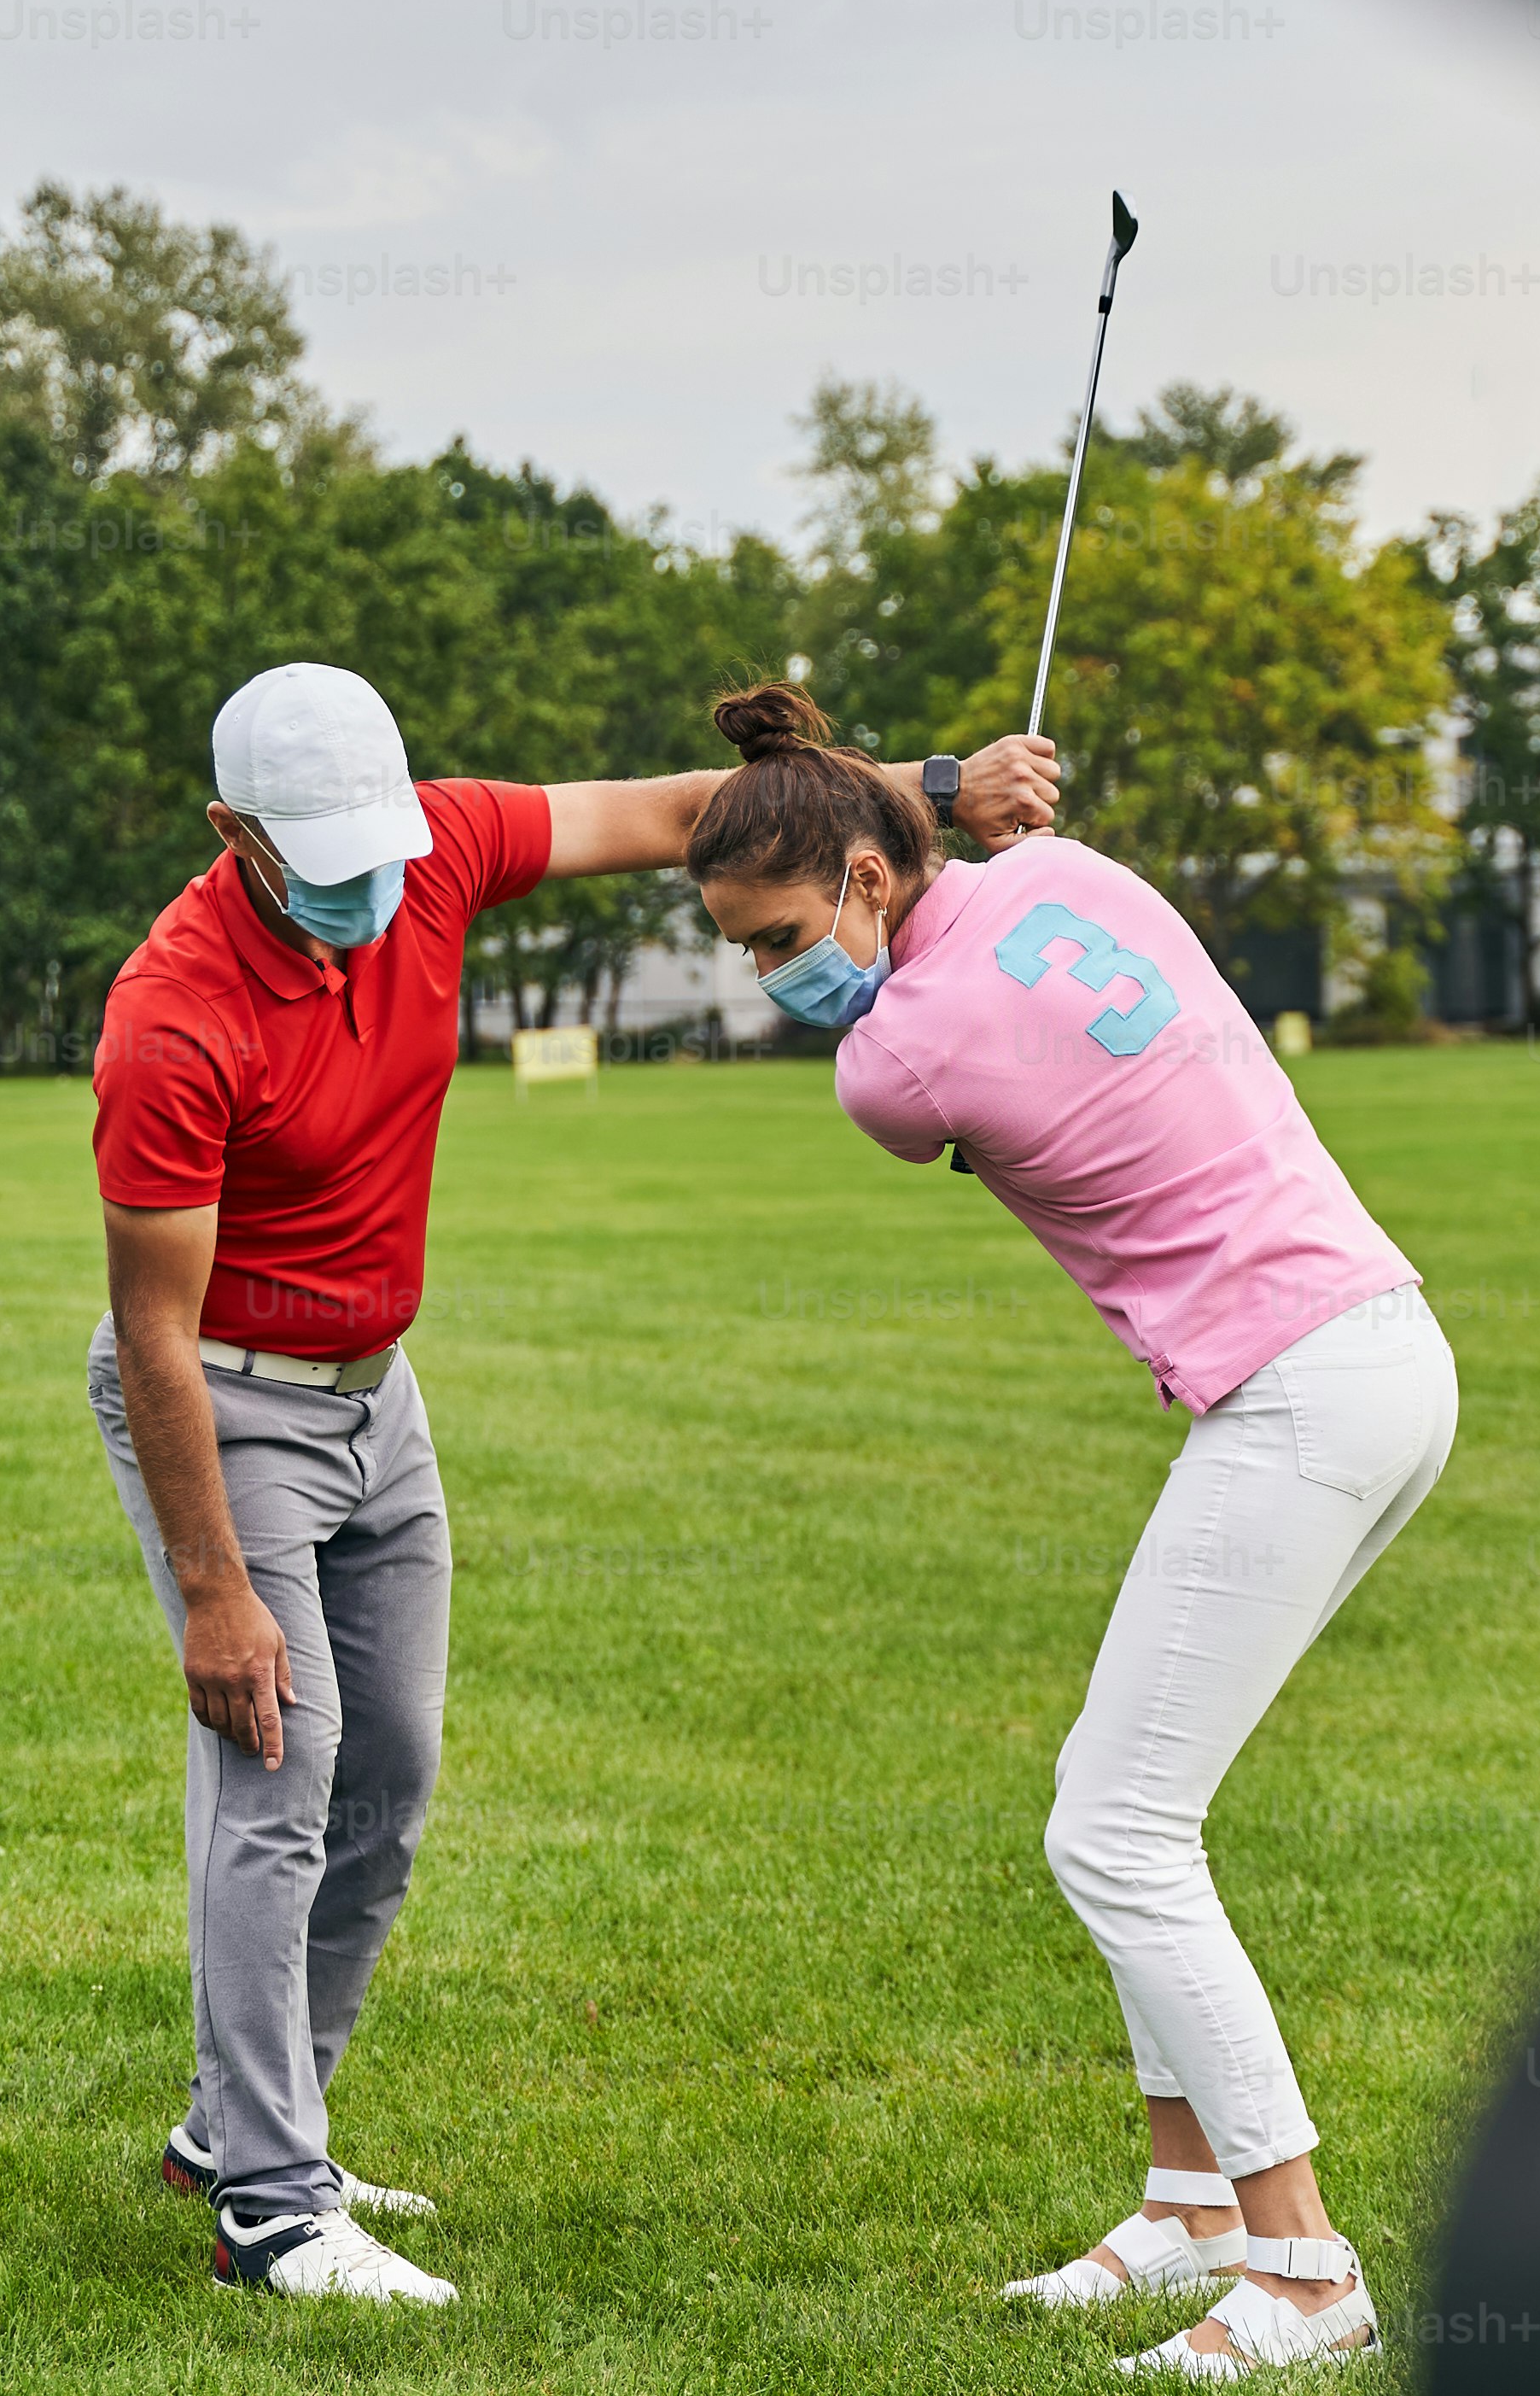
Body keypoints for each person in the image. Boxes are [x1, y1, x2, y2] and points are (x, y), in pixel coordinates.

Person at [92, 660, 1059, 2304]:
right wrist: (212, 1590)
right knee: (279, 1775)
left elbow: (706, 813)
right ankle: (266, 2206)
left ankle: (249, 2121)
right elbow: (156, 1335)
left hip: (375, 1395)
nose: (361, 888)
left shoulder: (437, 851)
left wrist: (947, 783)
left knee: (390, 1777)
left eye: (376, 843)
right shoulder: (170, 1016)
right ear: (229, 833)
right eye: (317, 855)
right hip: (229, 1401)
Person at [681, 682, 1455, 2379]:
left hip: (1296, 1389)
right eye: (745, 951)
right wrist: (984, 811)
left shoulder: (888, 1067)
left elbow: (931, 1075)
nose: (770, 979)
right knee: (1122, 1793)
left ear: (871, 881)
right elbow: (996, 890)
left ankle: (1308, 2270)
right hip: (1384, 1352)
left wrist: (946, 793)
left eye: (781, 935)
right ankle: (1189, 2209)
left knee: (1114, 1834)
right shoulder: (1076, 873)